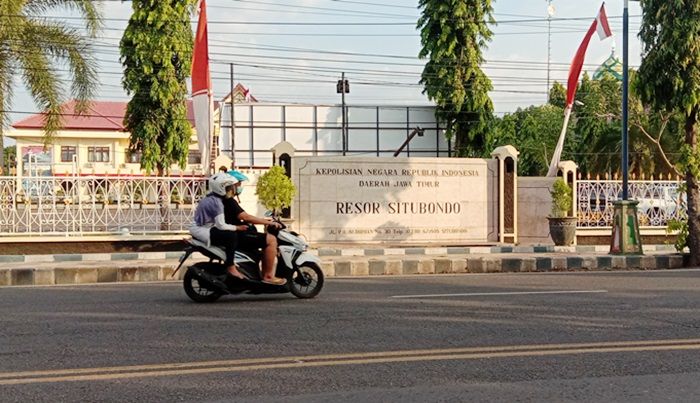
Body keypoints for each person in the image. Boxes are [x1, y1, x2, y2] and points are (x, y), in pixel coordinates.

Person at [224, 170, 286, 285]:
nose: (239, 187)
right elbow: (246, 217)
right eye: (238, 184)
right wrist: (268, 223)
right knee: (271, 240)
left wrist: (264, 221)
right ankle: (268, 276)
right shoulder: (229, 201)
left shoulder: (228, 200)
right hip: (239, 234)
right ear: (231, 185)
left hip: (236, 233)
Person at [189, 173, 247, 282]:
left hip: (204, 227)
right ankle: (230, 266)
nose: (233, 190)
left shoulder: (212, 197)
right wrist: (238, 228)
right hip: (201, 230)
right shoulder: (217, 203)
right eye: (230, 187)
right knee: (231, 236)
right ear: (221, 188)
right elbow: (221, 225)